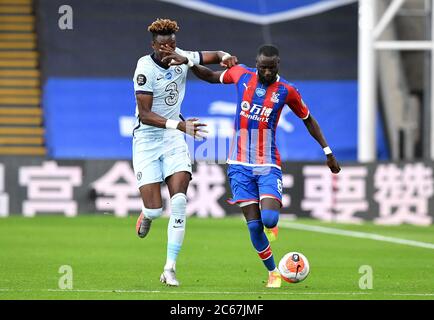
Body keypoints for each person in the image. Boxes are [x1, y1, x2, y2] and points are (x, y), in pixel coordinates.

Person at [161, 44, 341, 288]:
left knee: (268, 219)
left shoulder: (287, 91)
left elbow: (308, 120)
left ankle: (273, 226)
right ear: (256, 64)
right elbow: (211, 77)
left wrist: (327, 152)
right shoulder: (242, 75)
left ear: (277, 65)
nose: (266, 72)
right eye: (262, 67)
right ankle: (273, 272)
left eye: (271, 68)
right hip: (238, 165)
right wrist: (190, 63)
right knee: (254, 227)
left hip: (268, 163)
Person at [132, 18, 237, 287]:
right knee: (155, 211)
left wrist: (225, 57)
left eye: (172, 44)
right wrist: (179, 124)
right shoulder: (144, 68)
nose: (169, 49)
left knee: (179, 201)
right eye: (163, 45)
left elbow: (213, 56)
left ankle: (169, 268)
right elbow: (144, 115)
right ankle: (148, 213)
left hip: (174, 139)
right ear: (153, 45)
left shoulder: (182, 56)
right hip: (147, 139)